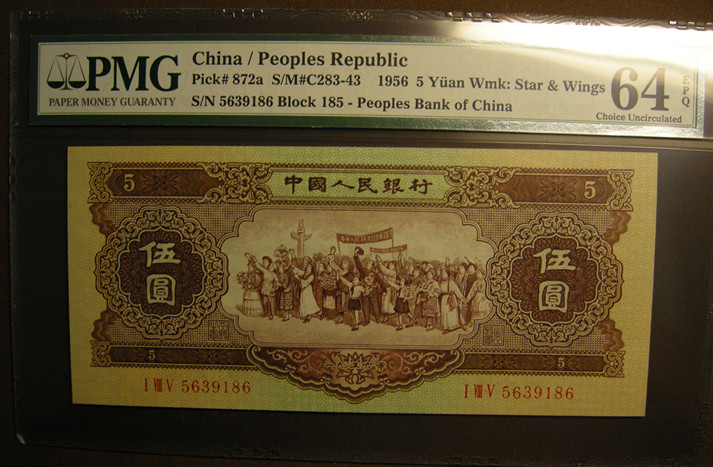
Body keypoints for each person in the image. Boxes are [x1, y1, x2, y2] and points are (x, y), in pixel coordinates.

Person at [439, 269, 465, 334]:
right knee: (444, 312)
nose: (443, 274)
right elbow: (439, 290)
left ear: (447, 274)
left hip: (450, 298)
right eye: (442, 273)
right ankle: (445, 327)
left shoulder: (451, 282)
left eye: (444, 273)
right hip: (444, 298)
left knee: (450, 311)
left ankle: (451, 326)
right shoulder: (441, 282)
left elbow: (456, 290)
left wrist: (461, 297)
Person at [253, 255, 278, 320]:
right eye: (270, 266)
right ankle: (265, 312)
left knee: (271, 302)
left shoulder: (274, 275)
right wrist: (255, 261)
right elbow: (259, 267)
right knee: (265, 301)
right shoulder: (265, 271)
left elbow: (276, 282)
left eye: (272, 267)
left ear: (274, 268)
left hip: (270, 289)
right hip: (264, 288)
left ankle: (271, 314)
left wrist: (274, 288)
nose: (271, 268)